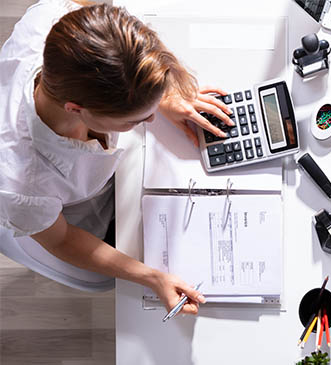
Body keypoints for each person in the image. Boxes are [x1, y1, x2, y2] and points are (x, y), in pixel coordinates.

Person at [0, 1, 234, 315]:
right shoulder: (23, 183)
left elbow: (116, 24)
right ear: (76, 109)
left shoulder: (56, 20)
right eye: (135, 120)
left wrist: (163, 95)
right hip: (58, 218)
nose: (150, 122)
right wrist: (151, 277)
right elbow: (63, 240)